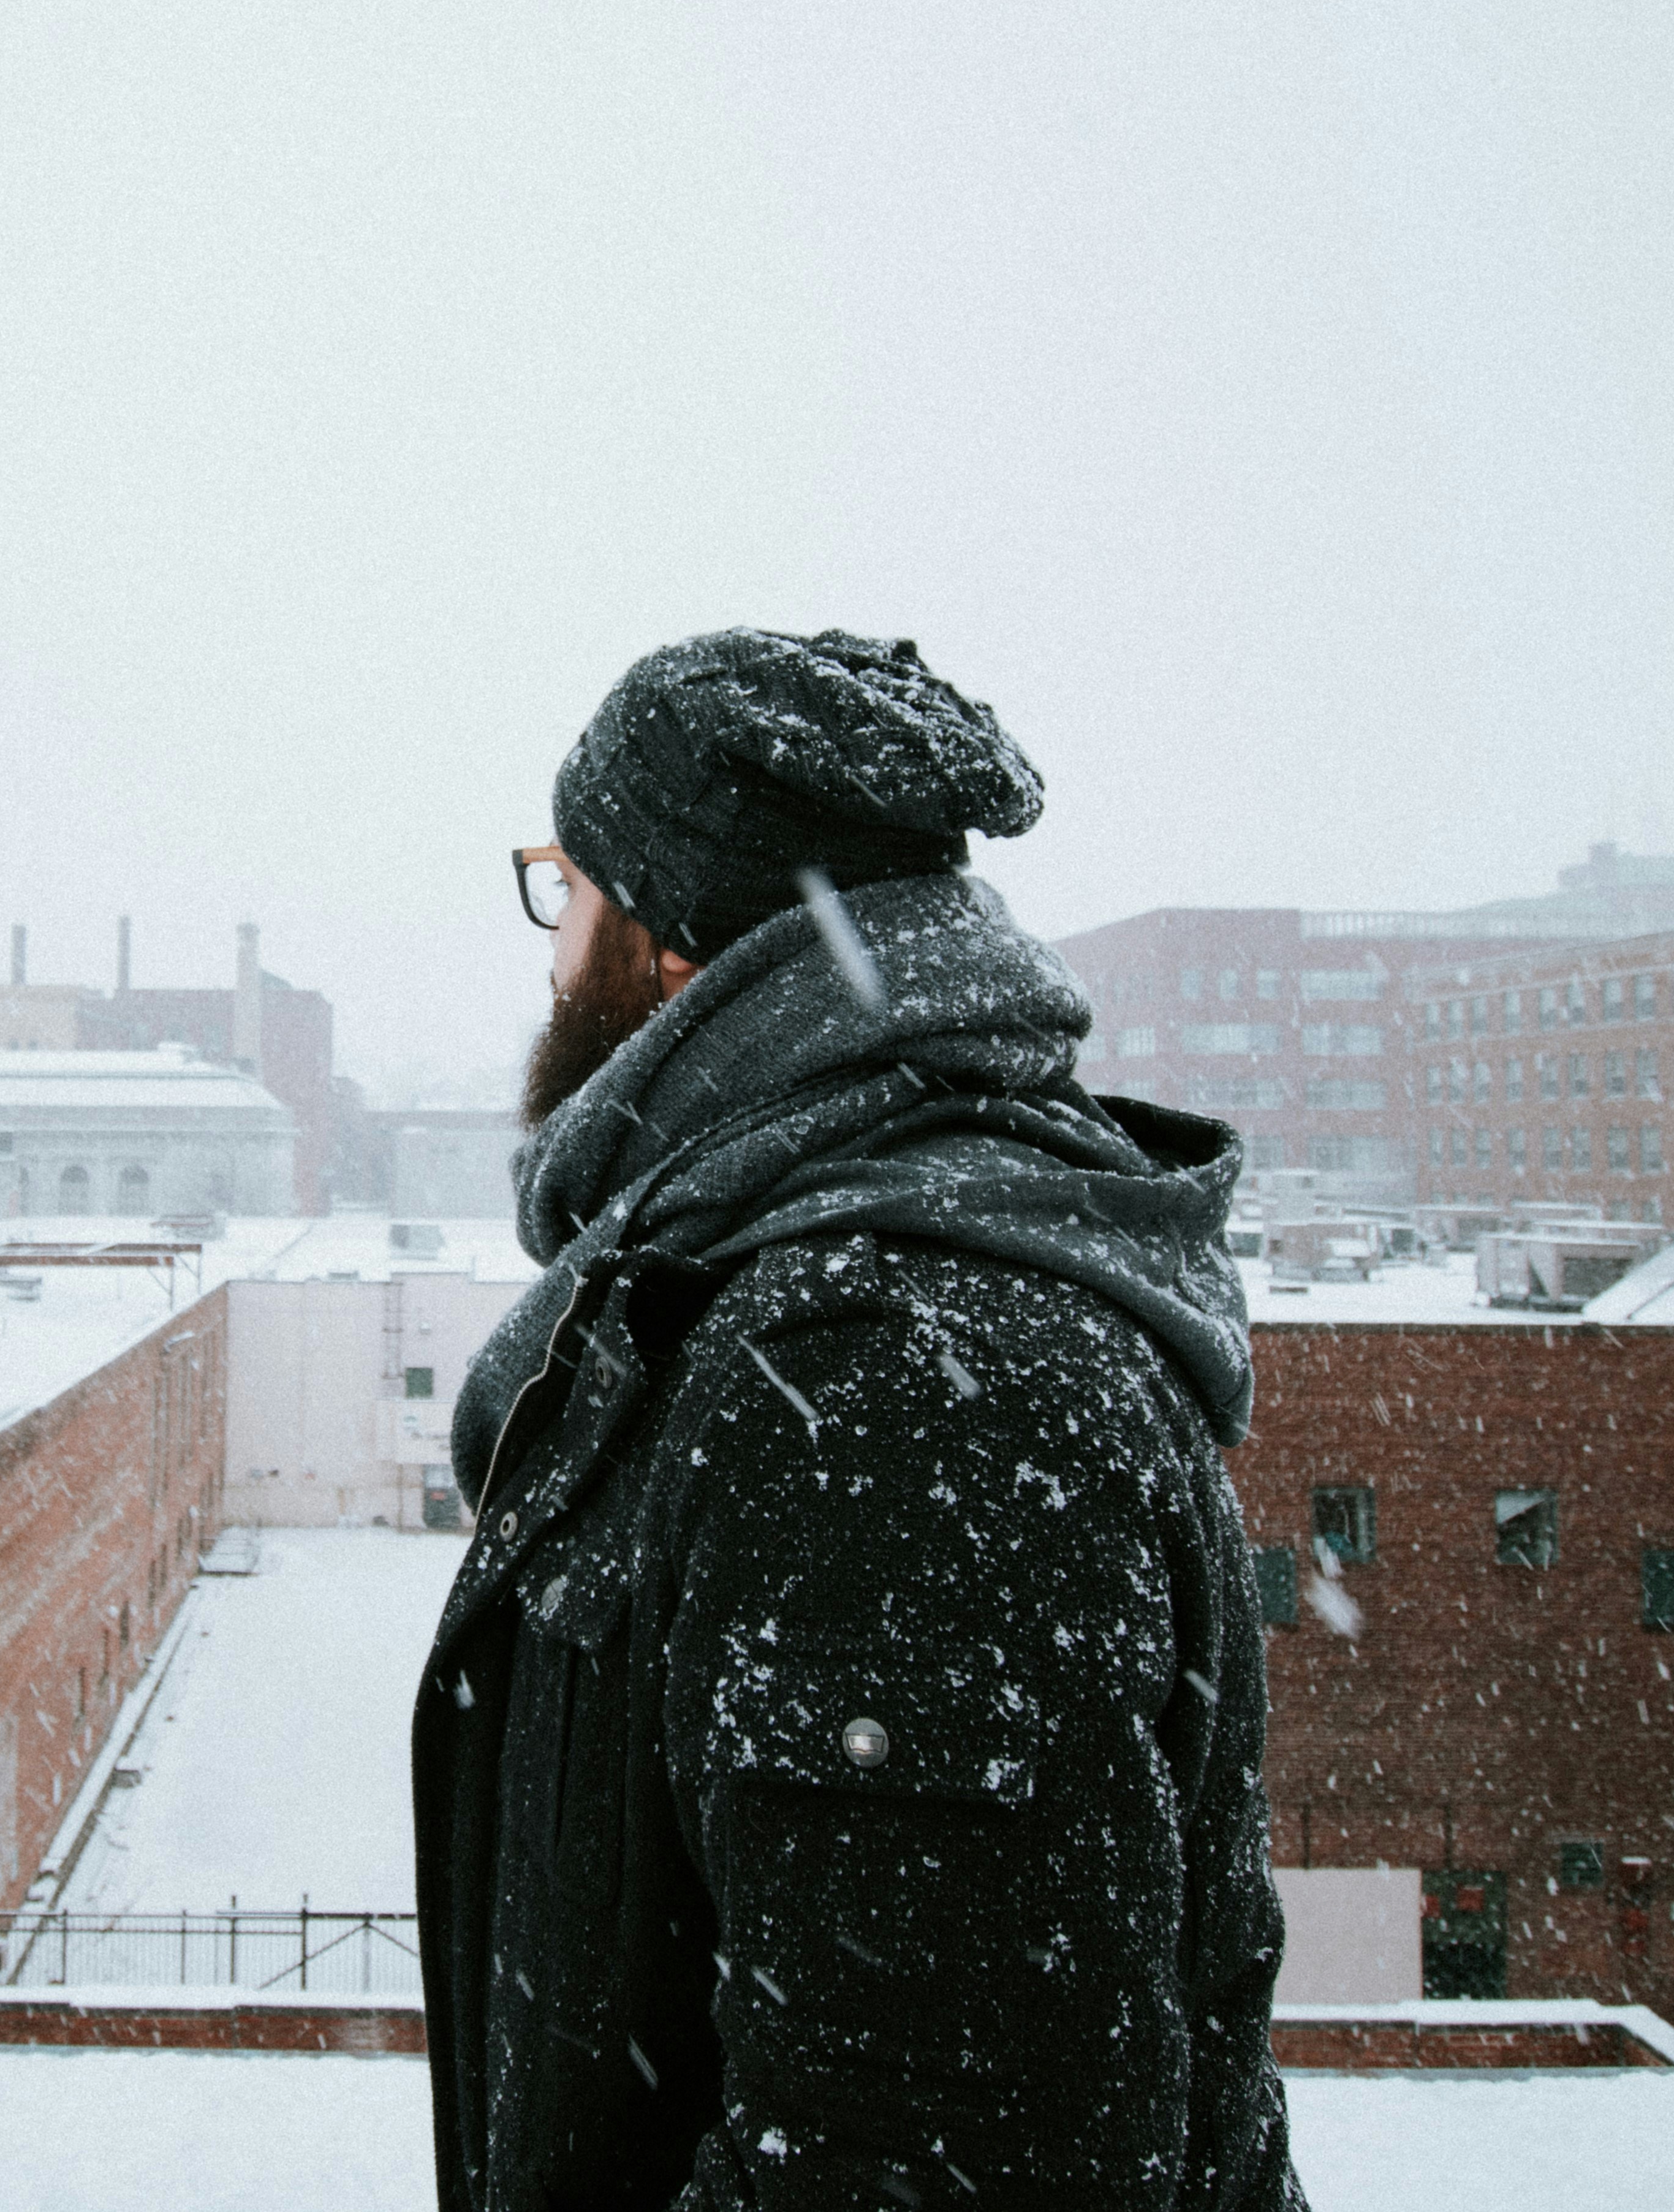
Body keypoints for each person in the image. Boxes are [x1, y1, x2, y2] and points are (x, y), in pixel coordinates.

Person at [413, 629, 1301, 2210]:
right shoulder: (788, 1295)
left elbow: (929, 2166)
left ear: (671, 945)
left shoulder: (890, 1391)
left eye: (573, 885)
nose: (553, 954)